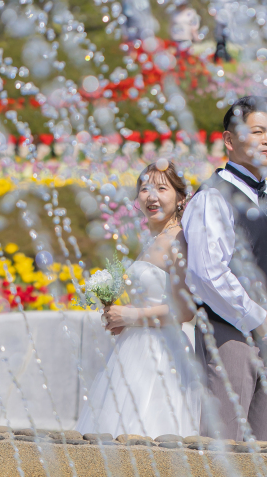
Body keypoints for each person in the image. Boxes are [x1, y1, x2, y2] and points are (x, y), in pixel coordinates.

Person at [182, 95, 267, 442]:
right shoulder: (213, 196)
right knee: (224, 445)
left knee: (262, 451)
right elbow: (207, 272)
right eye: (257, 131)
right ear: (229, 140)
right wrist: (259, 316)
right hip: (229, 336)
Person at [75, 162, 201, 438]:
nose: (151, 196)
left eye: (161, 188)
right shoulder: (155, 238)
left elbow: (184, 309)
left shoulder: (178, 240)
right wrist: (122, 315)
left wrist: (129, 316)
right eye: (144, 189)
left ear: (181, 198)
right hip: (134, 348)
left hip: (162, 354)